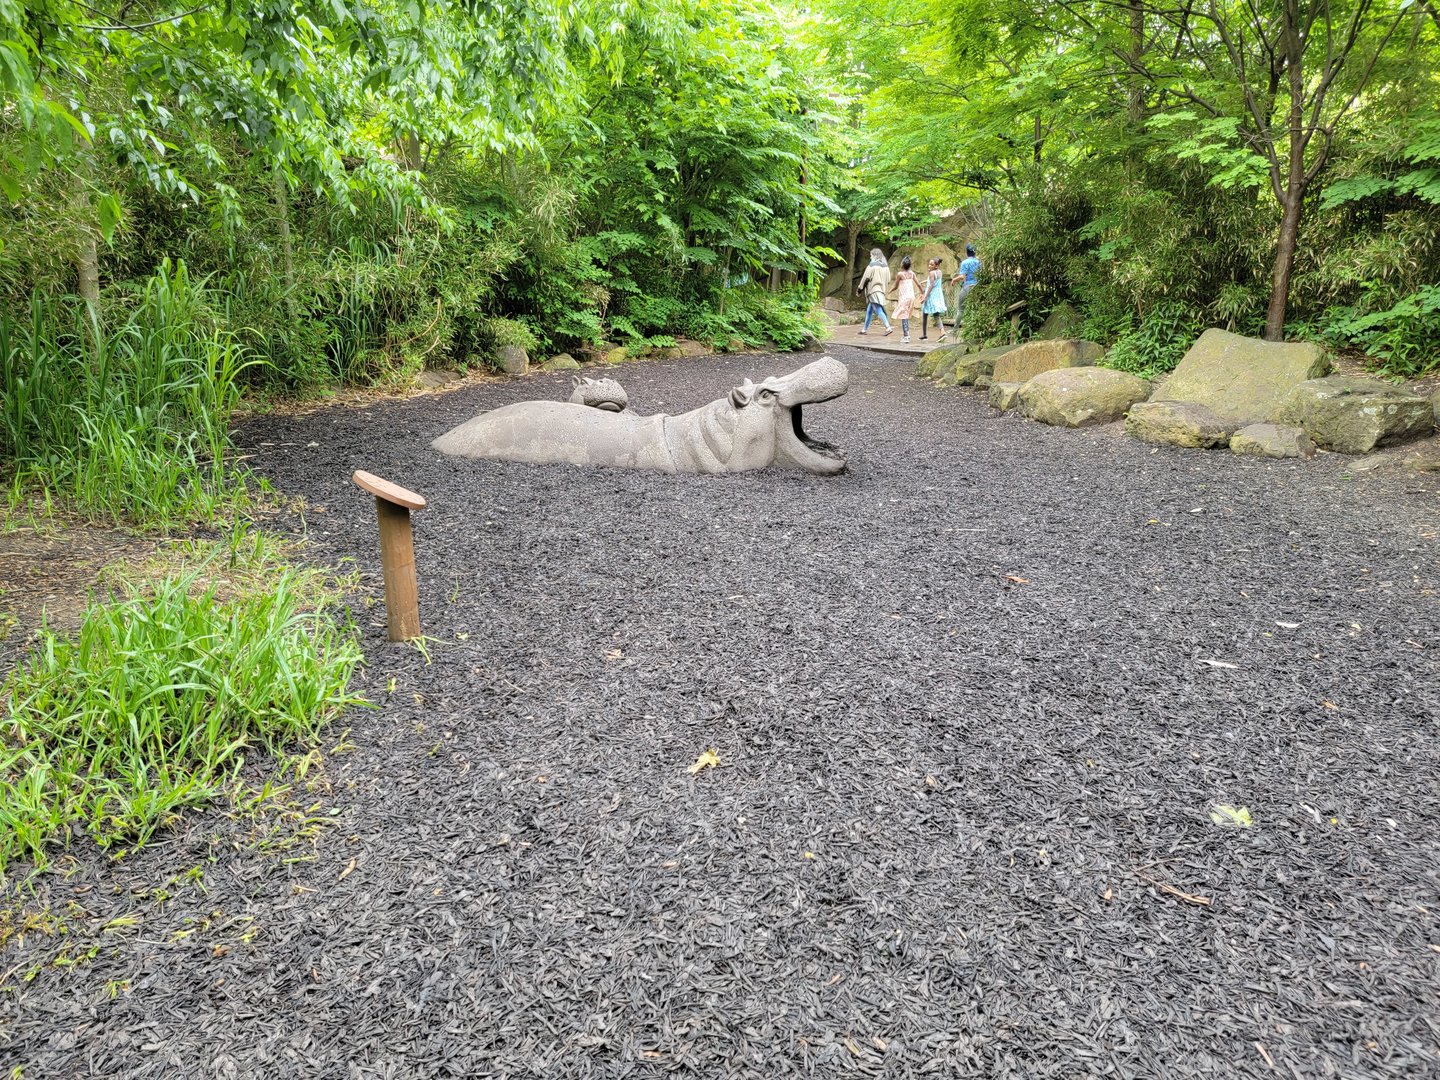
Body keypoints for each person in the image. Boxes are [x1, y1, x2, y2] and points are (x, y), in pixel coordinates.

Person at [856, 249, 893, 336]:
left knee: (878, 309)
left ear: (874, 255)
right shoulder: (886, 267)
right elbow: (888, 280)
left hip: (873, 291)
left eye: (871, 255)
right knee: (869, 310)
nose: (870, 257)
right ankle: (864, 329)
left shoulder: (871, 266)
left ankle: (888, 327)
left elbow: (865, 278)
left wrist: (859, 289)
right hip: (881, 291)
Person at [950, 243, 981, 327]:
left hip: (968, 286)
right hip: (978, 286)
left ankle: (955, 329)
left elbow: (962, 277)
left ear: (967, 252)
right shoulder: (978, 262)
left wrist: (954, 279)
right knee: (976, 309)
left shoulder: (965, 262)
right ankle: (975, 328)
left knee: (961, 309)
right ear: (975, 252)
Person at [891, 255, 919, 343]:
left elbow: (895, 286)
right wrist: (922, 293)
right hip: (911, 297)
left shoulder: (900, 274)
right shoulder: (912, 274)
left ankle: (906, 336)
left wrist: (889, 291)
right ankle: (906, 334)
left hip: (904, 298)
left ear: (902, 264)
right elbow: (918, 284)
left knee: (904, 316)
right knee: (905, 315)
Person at [919, 256, 947, 340]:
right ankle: (925, 334)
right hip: (938, 294)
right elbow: (934, 281)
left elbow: (931, 285)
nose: (929, 265)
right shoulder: (939, 272)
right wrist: (924, 281)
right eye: (929, 264)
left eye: (931, 264)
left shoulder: (931, 273)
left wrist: (925, 296)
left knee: (931, 314)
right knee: (930, 314)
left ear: (936, 265)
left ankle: (942, 333)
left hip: (931, 295)